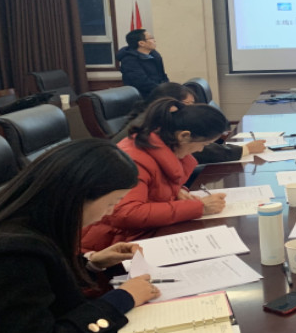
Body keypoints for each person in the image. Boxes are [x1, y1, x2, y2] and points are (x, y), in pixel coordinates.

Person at [0, 139, 161, 333]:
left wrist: (91, 263)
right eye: (112, 202)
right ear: (77, 196)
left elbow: (43, 281)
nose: (110, 211)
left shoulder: (28, 221)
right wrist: (122, 298)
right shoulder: (14, 255)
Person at [81, 99, 229, 251]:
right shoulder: (134, 159)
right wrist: (199, 208)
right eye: (203, 144)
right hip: (111, 245)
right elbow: (126, 214)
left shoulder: (161, 146)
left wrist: (177, 191)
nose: (200, 150)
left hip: (138, 234)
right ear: (184, 136)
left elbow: (152, 189)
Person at [111, 82, 266, 164]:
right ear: (171, 104)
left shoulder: (154, 117)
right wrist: (244, 149)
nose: (191, 110)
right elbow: (197, 150)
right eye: (188, 105)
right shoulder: (154, 127)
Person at [117, 29, 169, 98]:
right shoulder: (129, 60)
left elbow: (163, 76)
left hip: (159, 94)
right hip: (143, 97)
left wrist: (168, 88)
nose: (154, 40)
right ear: (141, 43)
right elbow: (142, 83)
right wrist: (163, 91)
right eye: (151, 38)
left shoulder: (155, 55)